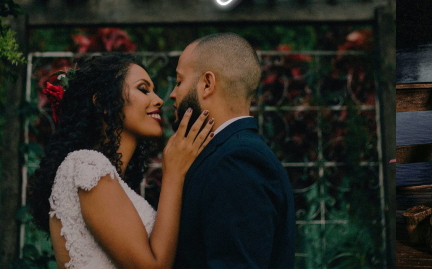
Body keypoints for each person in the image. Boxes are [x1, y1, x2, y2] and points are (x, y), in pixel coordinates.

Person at [29, 53, 215, 269]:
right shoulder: (87, 166)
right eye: (143, 89)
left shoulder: (107, 177)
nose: (159, 99)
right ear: (104, 103)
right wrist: (173, 174)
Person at [170, 33, 295, 268]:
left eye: (179, 81)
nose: (173, 94)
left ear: (207, 84)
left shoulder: (237, 161)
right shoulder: (228, 154)